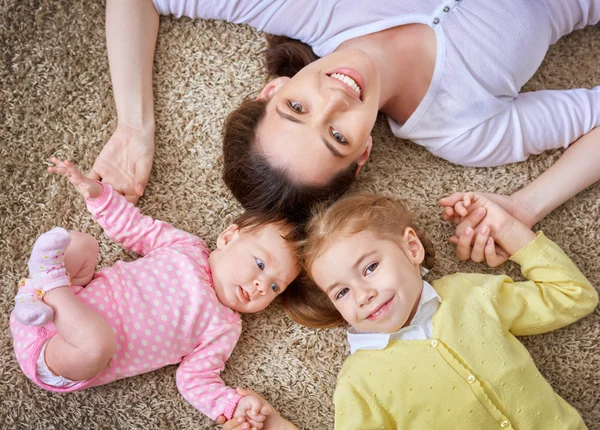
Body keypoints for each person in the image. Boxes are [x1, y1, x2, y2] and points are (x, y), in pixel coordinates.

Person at [96, 0, 599, 225]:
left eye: (296, 107)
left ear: (273, 88)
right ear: (363, 154)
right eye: (336, 136)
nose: (335, 99)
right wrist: (527, 206)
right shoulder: (462, 129)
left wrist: (135, 125)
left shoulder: (301, 8)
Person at [10, 158, 301, 429]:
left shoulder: (224, 326)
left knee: (98, 343)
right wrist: (98, 193)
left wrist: (232, 403)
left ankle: (46, 281)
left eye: (275, 287)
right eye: (260, 264)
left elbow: (196, 378)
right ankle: (44, 288)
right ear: (227, 238)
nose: (262, 285)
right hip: (55, 306)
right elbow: (136, 228)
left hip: (61, 356)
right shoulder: (186, 247)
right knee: (82, 245)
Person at [282, 192, 598, 429]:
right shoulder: (360, 382)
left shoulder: (470, 295)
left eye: (370, 267)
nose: (363, 295)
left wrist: (505, 226)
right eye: (342, 291)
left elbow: (572, 294)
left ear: (411, 247)